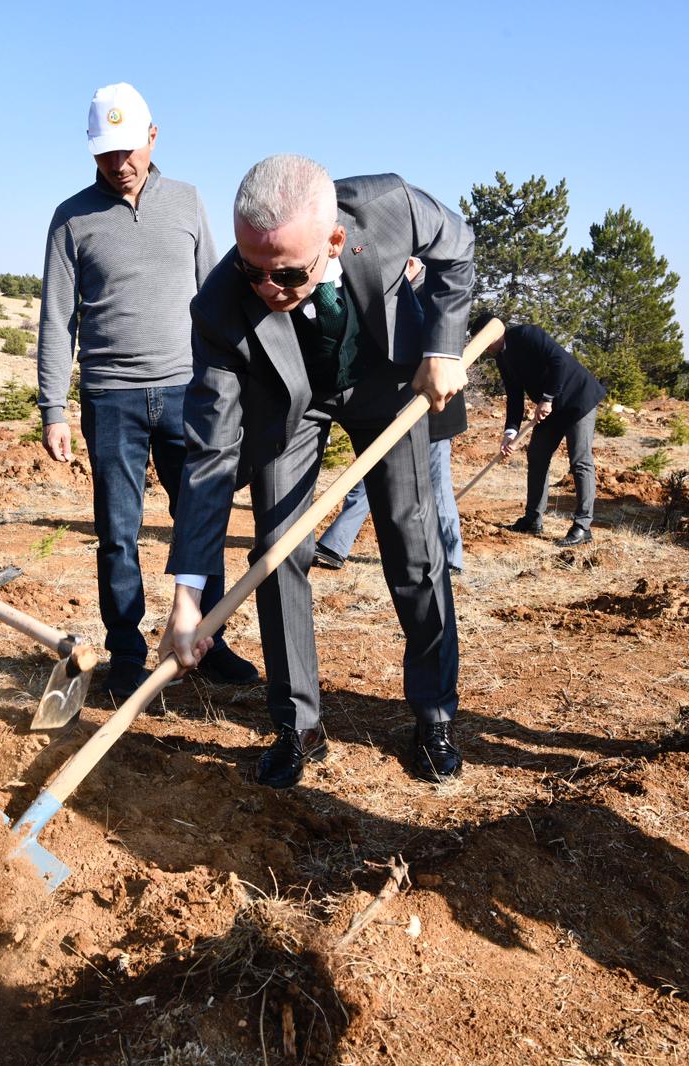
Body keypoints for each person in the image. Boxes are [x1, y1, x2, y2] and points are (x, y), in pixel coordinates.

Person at [162, 154, 472, 789]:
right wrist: (187, 599)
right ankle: (297, 725)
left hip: (392, 378)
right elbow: (210, 456)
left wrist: (442, 348)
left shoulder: (389, 207)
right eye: (254, 271)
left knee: (414, 546)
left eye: (288, 273)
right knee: (277, 552)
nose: (269, 290)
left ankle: (434, 715)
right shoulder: (221, 307)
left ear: (334, 240)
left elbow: (457, 245)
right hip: (291, 402)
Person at [37, 82, 258, 698]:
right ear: (92, 152)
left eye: (130, 148)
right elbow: (58, 317)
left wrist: (236, 384)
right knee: (117, 530)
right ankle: (127, 652)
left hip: (189, 392)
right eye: (107, 153)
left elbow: (221, 297)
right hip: (111, 398)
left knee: (201, 517)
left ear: (153, 137)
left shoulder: (187, 202)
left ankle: (208, 637)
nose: (120, 162)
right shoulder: (71, 218)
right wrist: (54, 407)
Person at [315, 258, 467, 571]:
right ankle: (335, 545)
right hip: (395, 408)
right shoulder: (391, 293)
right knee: (369, 477)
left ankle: (452, 558)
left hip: (435, 409)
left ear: (410, 263)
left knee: (438, 487)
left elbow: (442, 357)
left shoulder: (433, 295)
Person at [487, 323, 606, 547]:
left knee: (580, 461)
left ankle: (583, 526)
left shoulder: (525, 334)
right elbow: (514, 397)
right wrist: (510, 432)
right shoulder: (501, 358)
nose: (483, 349)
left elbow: (558, 360)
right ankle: (533, 519)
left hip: (577, 399)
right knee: (537, 454)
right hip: (552, 407)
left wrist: (548, 398)